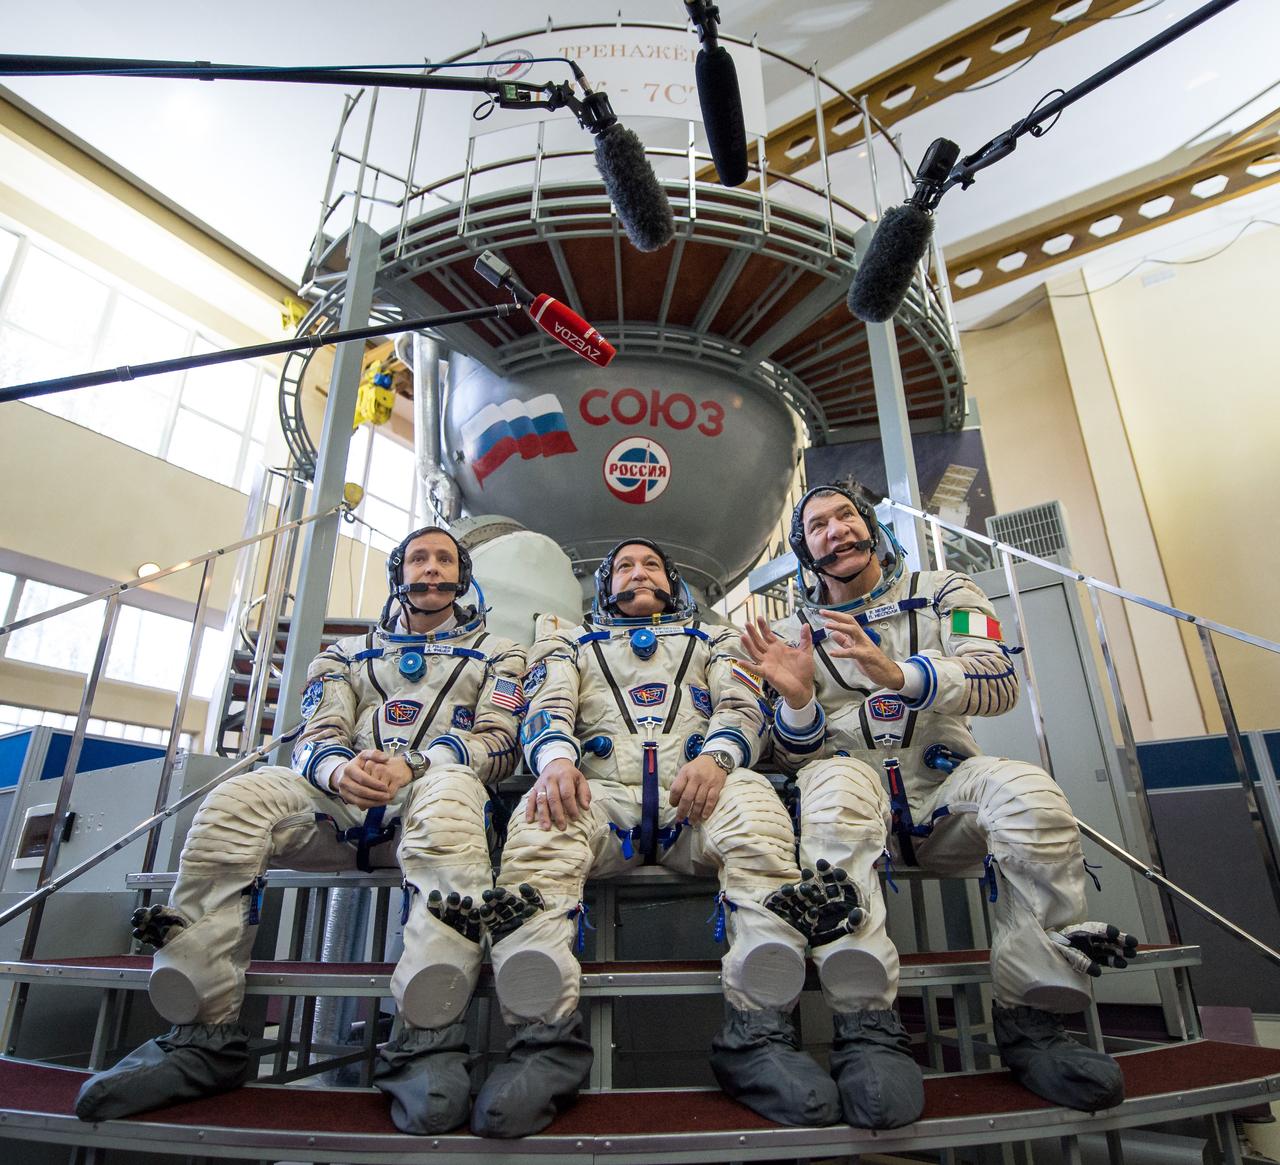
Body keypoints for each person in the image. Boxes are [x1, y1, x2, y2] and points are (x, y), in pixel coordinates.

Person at [76, 526, 526, 1135]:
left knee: (451, 798)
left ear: (463, 575)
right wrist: (341, 771)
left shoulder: (500, 653)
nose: (432, 569)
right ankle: (201, 1038)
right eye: (418, 558)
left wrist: (413, 764)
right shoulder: (342, 656)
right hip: (343, 801)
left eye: (445, 559)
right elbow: (317, 739)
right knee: (237, 799)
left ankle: (427, 1042)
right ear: (399, 573)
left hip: (436, 790)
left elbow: (499, 745)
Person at [740, 483, 1136, 1124]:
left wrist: (901, 676)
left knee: (1029, 794)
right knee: (831, 790)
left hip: (944, 792)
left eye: (846, 516)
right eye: (816, 525)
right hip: (851, 792)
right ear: (803, 548)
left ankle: (1031, 1017)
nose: (835, 531)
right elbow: (789, 756)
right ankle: (865, 1027)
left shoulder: (947, 592)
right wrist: (797, 702)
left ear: (870, 526)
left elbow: (998, 679)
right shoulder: (790, 634)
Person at [468, 538, 843, 1137]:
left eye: (649, 565)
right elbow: (547, 707)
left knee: (757, 811)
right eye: (623, 567)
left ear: (673, 583)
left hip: (695, 794)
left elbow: (741, 707)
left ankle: (761, 1035)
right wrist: (557, 761)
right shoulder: (567, 641)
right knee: (539, 827)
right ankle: (541, 1043)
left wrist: (719, 759)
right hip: (602, 800)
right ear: (604, 585)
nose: (636, 573)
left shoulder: (714, 639)